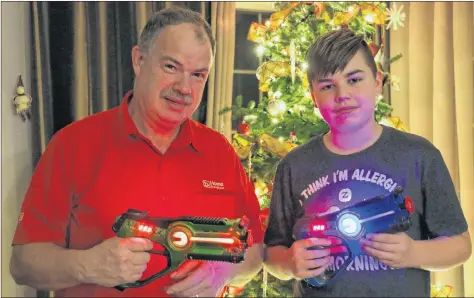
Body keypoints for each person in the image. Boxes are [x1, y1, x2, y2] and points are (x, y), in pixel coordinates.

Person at [10, 7, 264, 297]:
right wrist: (86, 265)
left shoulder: (220, 152)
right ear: (139, 61)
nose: (185, 88)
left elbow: (255, 252)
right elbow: (23, 264)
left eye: (198, 75)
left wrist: (226, 270)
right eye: (171, 67)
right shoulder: (72, 144)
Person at [262, 28, 471, 297]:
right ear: (313, 96)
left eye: (354, 79)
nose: (342, 95)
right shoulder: (294, 165)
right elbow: (271, 252)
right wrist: (289, 263)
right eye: (327, 86)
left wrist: (415, 252)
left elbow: (461, 246)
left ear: (377, 81)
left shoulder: (418, 155)